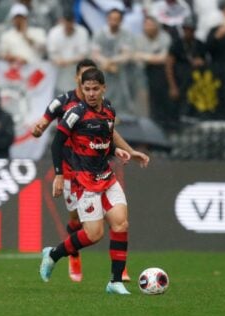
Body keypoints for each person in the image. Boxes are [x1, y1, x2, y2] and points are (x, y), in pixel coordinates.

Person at [32, 59, 149, 282]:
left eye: (96, 87)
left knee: (120, 222)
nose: (91, 92)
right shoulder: (68, 107)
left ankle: (117, 277)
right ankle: (62, 253)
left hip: (103, 174)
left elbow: (105, 138)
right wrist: (39, 131)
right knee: (87, 228)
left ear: (103, 87)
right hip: (75, 174)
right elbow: (52, 138)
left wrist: (123, 151)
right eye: (87, 87)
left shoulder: (109, 111)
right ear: (79, 81)